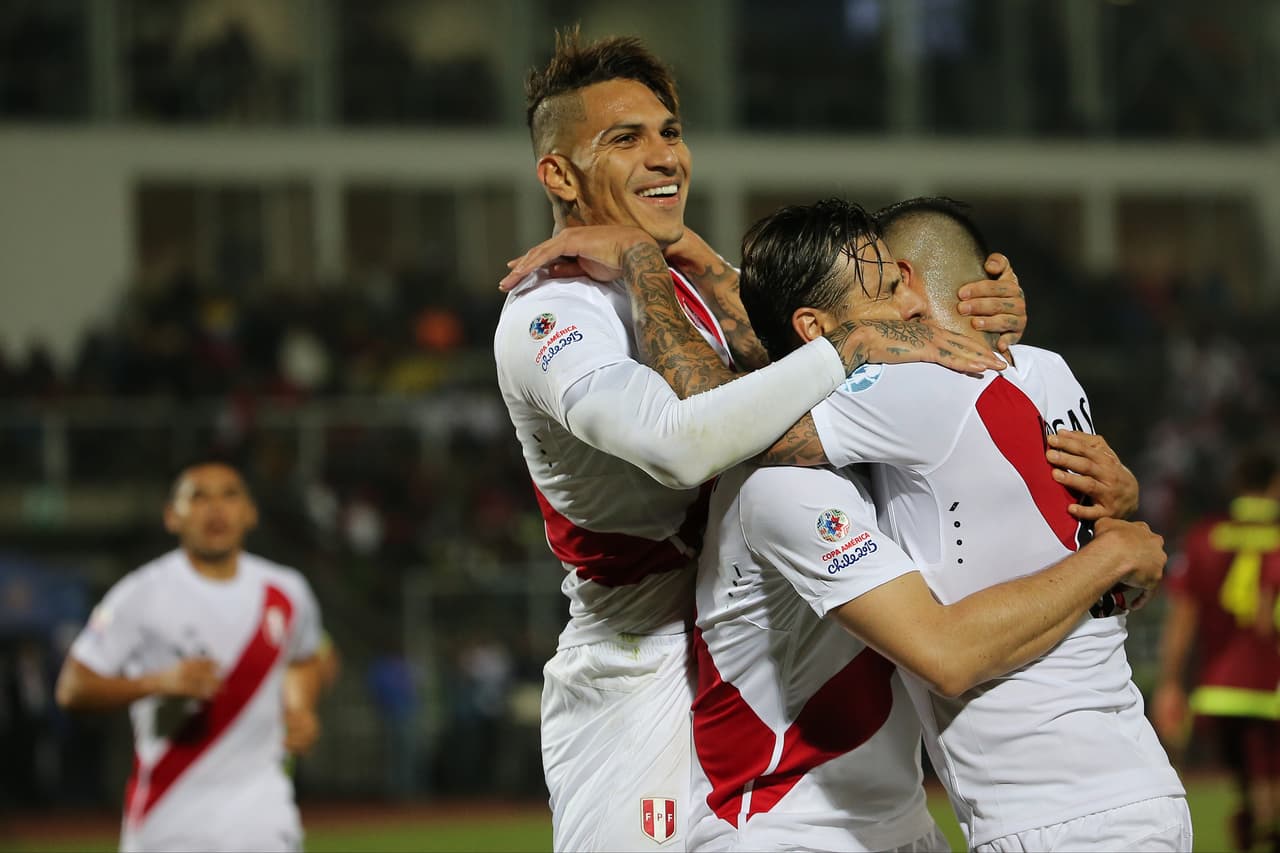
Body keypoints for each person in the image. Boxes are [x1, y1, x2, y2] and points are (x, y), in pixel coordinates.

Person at [494, 29, 1021, 853]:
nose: (663, 155)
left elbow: (843, 327)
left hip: (766, 626)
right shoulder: (549, 313)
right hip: (644, 664)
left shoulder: (681, 283)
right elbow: (680, 444)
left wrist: (985, 317)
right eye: (623, 139)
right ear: (558, 173)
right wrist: (847, 349)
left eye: (669, 131)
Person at [688, 197, 1170, 852]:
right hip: (1129, 783)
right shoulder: (1045, 369)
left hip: (1056, 814)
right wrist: (1117, 547)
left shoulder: (911, 394)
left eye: (901, 285)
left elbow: (702, 431)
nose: (903, 312)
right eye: (884, 290)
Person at [55, 459, 331, 853]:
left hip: (262, 810)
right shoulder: (141, 594)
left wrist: (302, 708)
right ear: (172, 516)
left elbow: (306, 656)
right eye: (198, 497)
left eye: (230, 495)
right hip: (168, 814)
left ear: (250, 513)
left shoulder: (287, 589)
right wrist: (156, 682)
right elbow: (72, 687)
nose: (216, 509)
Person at [1154, 449, 1280, 852]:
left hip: (1219, 690)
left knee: (1247, 783)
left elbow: (1183, 618)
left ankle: (1253, 828)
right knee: (1268, 786)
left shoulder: (1204, 536)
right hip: (1271, 687)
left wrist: (1170, 682)